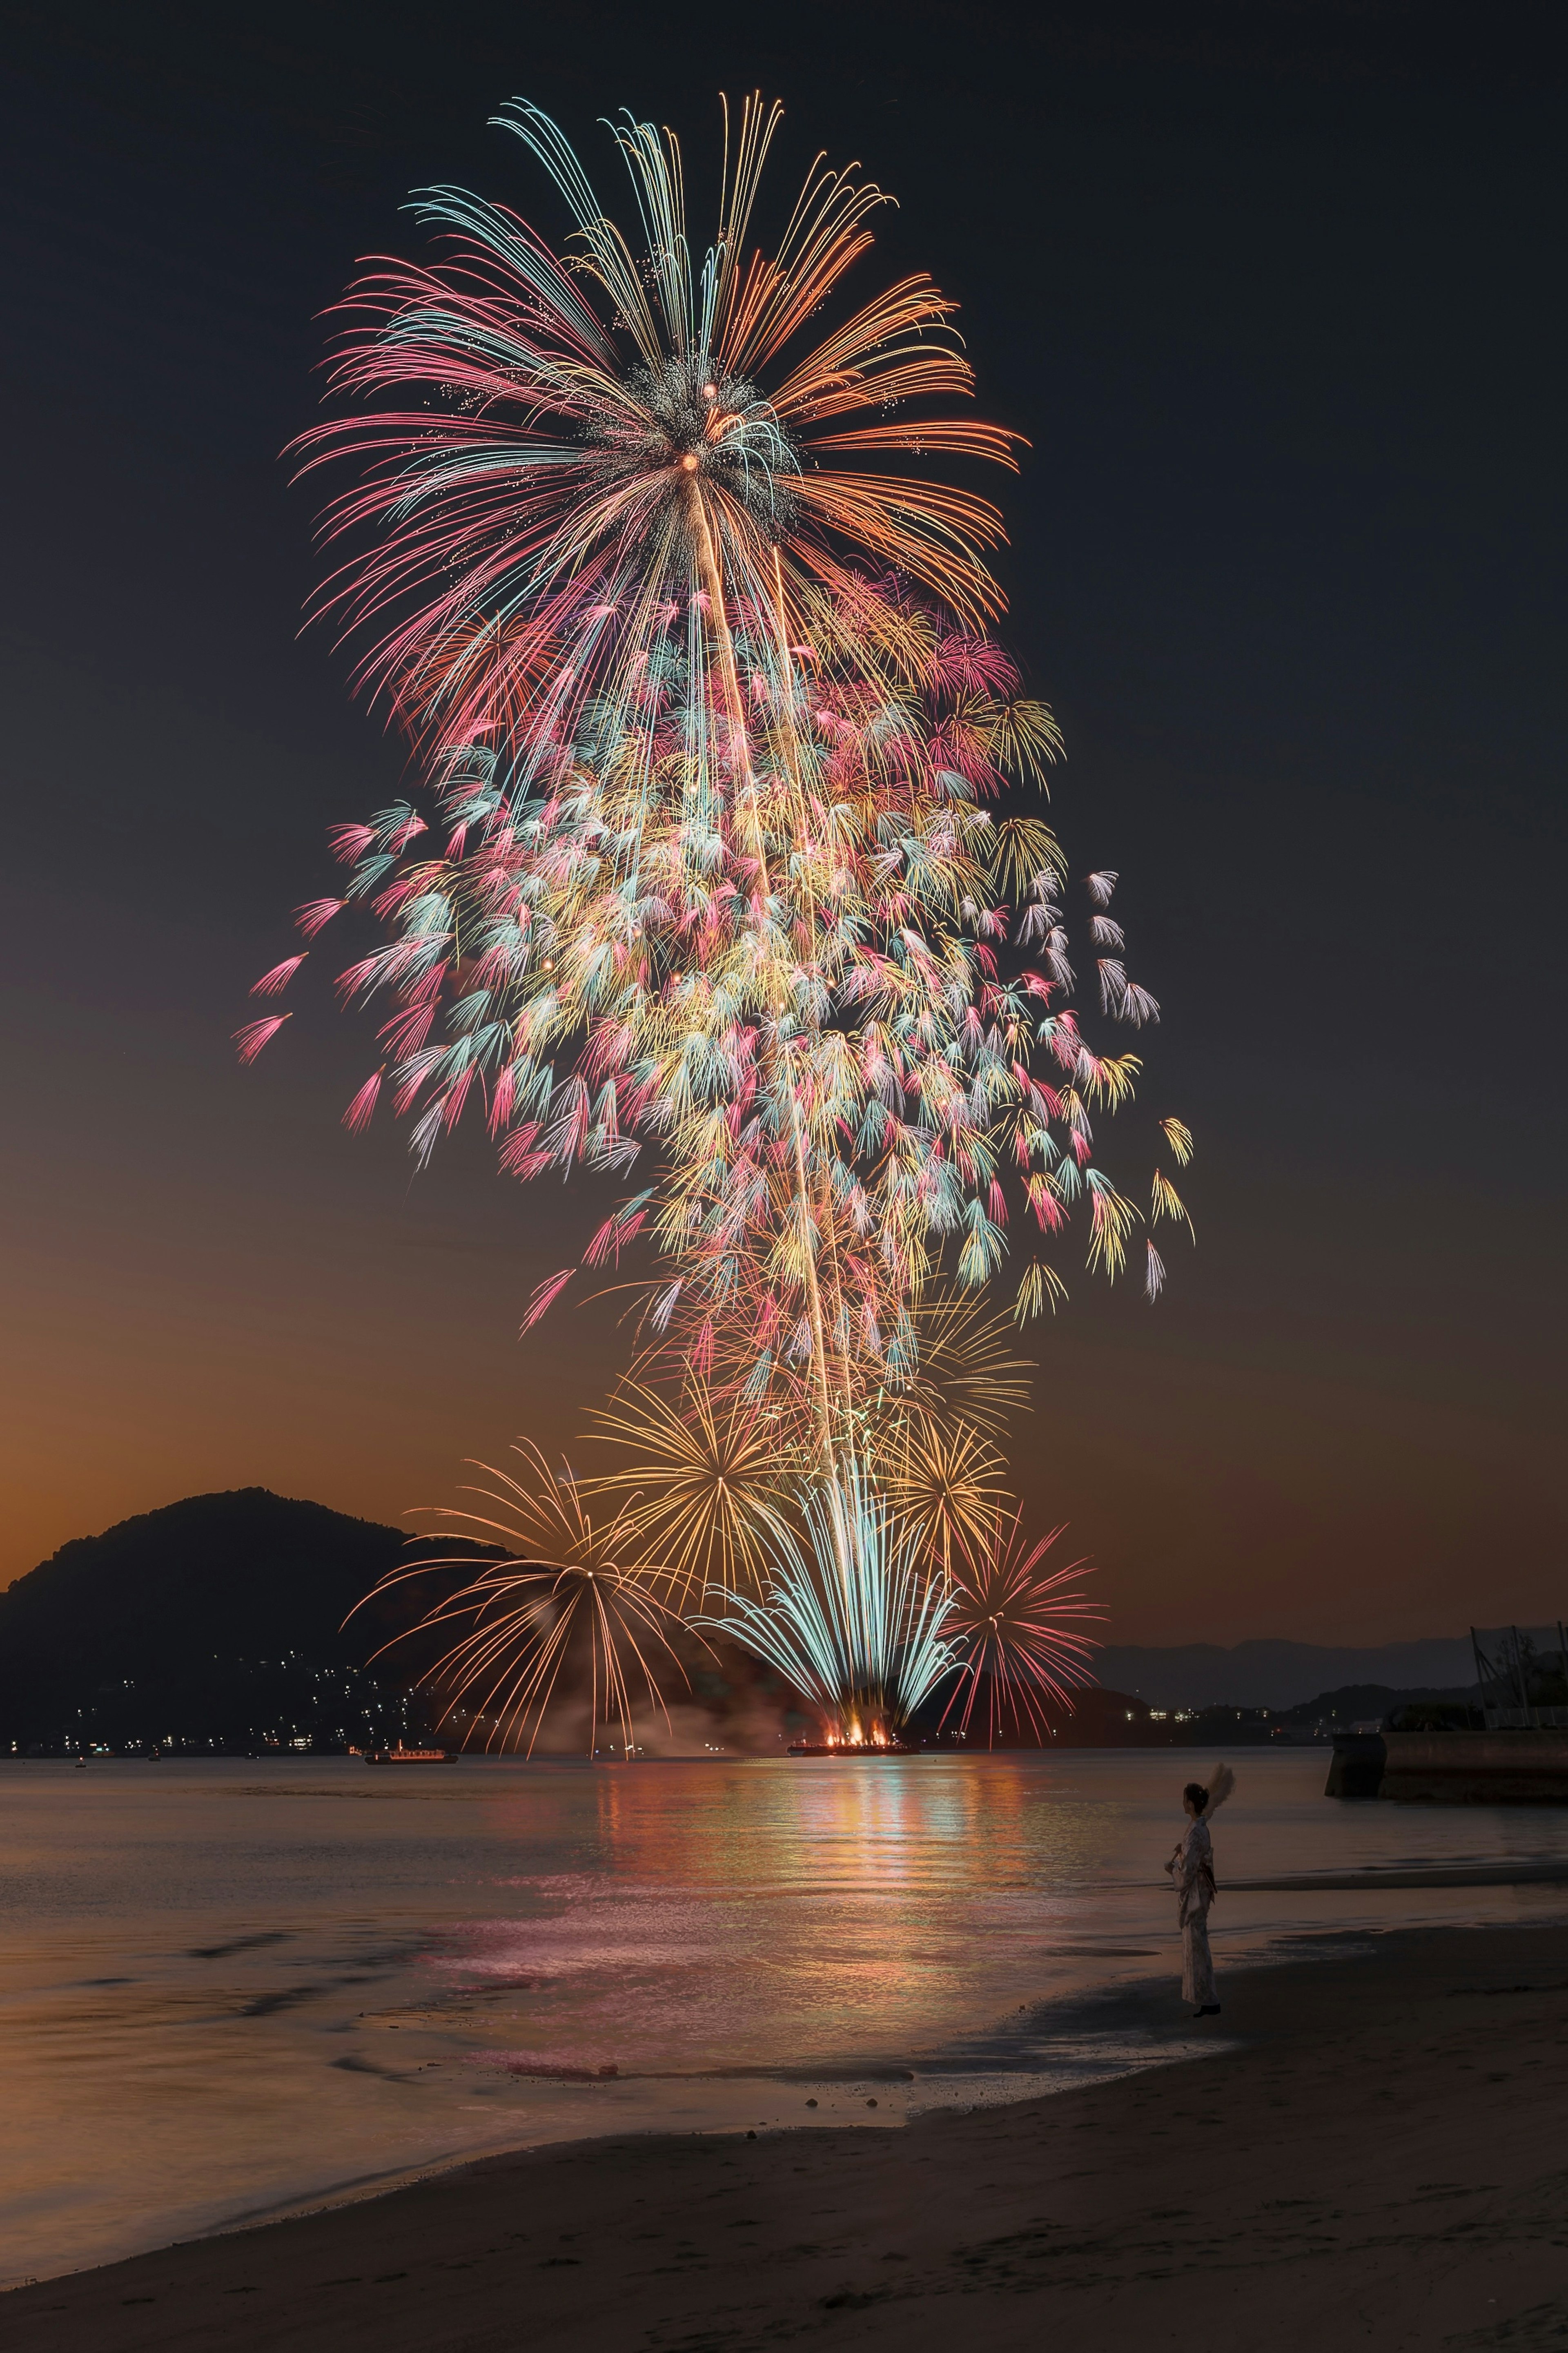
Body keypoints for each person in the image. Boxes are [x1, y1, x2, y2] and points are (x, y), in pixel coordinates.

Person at [1165, 1764, 1233, 2016]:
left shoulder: (1196, 1832)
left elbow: (1190, 1869)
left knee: (1197, 1946)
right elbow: (1193, 1858)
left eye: (1185, 1800)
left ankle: (1209, 1999)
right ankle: (1206, 1999)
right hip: (1201, 1892)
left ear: (1191, 1805)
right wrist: (1182, 1853)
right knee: (1197, 1945)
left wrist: (1173, 1870)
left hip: (1196, 1895)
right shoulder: (1198, 1829)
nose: (1183, 1804)